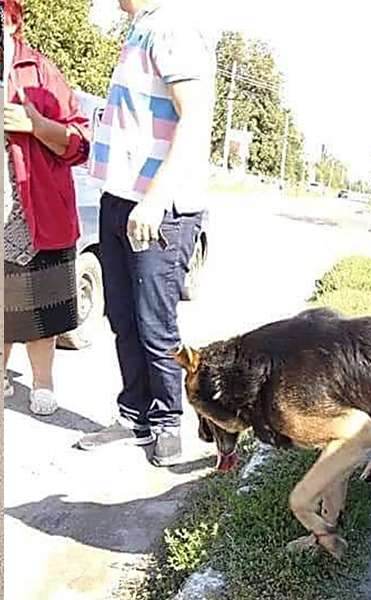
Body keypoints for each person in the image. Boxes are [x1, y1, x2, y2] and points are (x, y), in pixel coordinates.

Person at [77, 0, 216, 466]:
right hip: (119, 197)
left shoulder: (173, 27)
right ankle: (132, 415)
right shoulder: (141, 28)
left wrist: (155, 199)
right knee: (122, 319)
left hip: (159, 205)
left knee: (156, 326)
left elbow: (195, 117)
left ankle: (168, 420)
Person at [3, 0, 90, 415]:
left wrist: (34, 125)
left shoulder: (40, 71)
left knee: (42, 306)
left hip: (37, 207)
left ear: (11, 20)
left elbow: (80, 143)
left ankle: (43, 381)